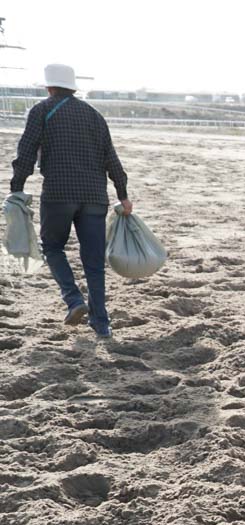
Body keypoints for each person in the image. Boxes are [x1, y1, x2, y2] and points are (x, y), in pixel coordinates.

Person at [8, 63, 132, 340]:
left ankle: (74, 300)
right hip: (94, 197)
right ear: (73, 87)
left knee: (52, 247)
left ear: (49, 86)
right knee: (94, 262)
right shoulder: (94, 115)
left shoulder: (41, 111)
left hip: (58, 194)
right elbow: (112, 159)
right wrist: (122, 195)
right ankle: (102, 323)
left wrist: (16, 187)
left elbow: (26, 152)